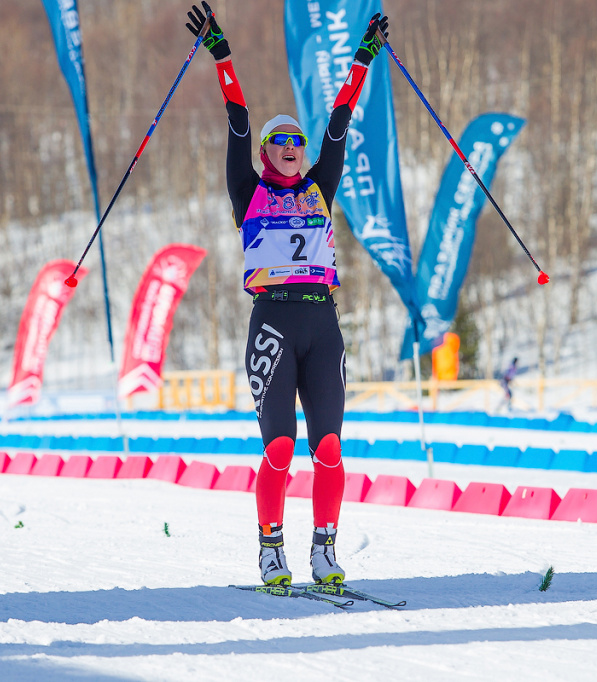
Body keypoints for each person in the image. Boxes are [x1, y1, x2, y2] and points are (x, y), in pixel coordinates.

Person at [186, 3, 389, 586]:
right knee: (280, 448)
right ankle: (270, 549)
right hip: (273, 323)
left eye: (297, 141)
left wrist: (362, 59)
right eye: (283, 142)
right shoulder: (247, 190)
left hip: (322, 324)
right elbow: (239, 121)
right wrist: (222, 55)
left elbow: (339, 122)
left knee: (328, 447)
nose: (294, 146)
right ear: (268, 154)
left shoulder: (321, 185)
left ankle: (324, 550)